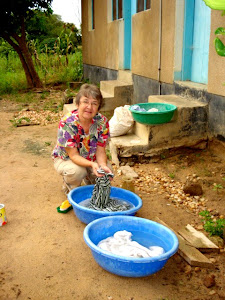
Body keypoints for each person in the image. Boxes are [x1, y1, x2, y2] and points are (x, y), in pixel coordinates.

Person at [52, 83, 113, 194]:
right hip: (67, 159)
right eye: (85, 102)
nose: (89, 107)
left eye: (94, 103)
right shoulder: (67, 123)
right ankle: (69, 186)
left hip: (90, 156)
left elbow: (100, 150)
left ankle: (90, 179)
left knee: (105, 173)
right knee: (77, 172)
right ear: (78, 104)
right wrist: (92, 165)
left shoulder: (102, 122)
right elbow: (74, 155)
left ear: (98, 107)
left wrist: (102, 165)